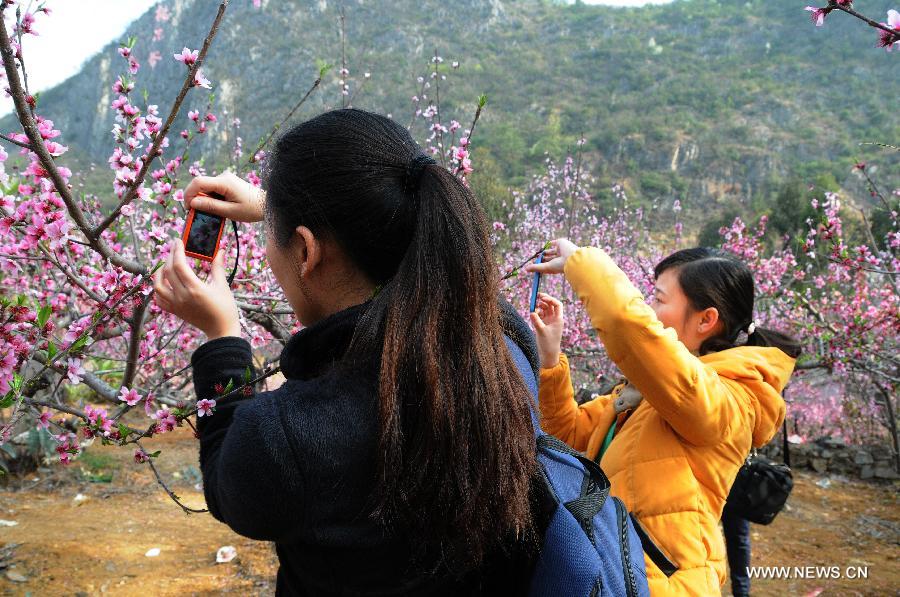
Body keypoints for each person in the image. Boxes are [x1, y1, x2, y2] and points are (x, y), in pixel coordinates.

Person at [153, 109, 542, 595]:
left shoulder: (291, 437)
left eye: (274, 236)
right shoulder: (503, 339)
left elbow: (228, 487)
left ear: (306, 253)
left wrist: (222, 337)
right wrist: (280, 207)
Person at [526, 241, 800, 596]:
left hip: (665, 583)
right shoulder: (645, 395)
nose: (649, 309)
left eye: (658, 298)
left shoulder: (732, 399)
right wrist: (550, 362)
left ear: (706, 320)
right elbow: (569, 439)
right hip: (614, 570)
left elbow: (632, 328)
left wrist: (585, 265)